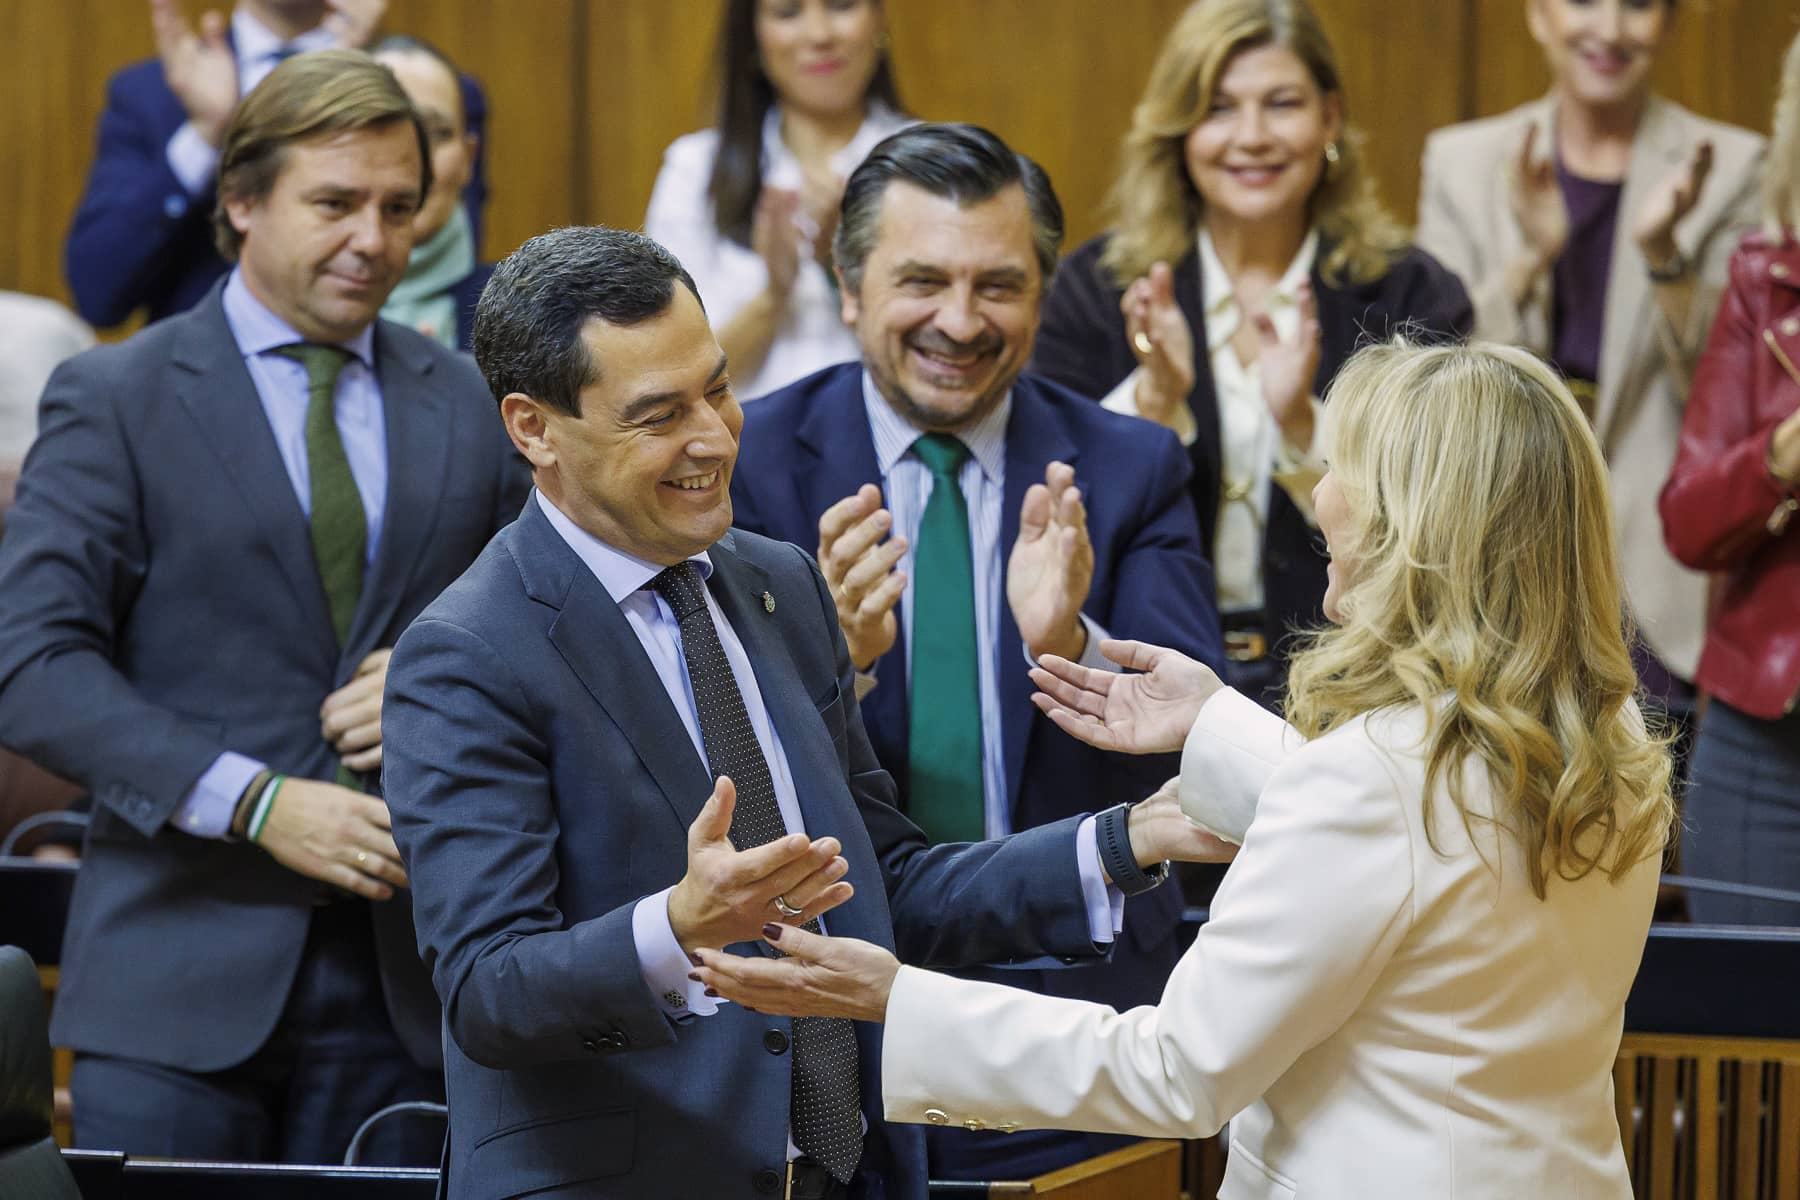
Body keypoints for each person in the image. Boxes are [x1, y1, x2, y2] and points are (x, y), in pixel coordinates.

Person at [694, 340, 1676, 1200]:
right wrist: (1213, 725)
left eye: (1340, 464)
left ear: (1410, 525)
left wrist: (898, 998)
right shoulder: (1604, 734)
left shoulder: (1373, 780)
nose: (1317, 490)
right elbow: (1438, 859)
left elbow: (1177, 1071)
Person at [379, 223, 1226, 1200]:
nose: (712, 437)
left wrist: (1128, 838)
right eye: (658, 415)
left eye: (719, 388)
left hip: (852, 1167)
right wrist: (675, 929)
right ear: (534, 428)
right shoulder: (469, 652)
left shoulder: (776, 585)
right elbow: (488, 992)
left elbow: (879, 881)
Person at [0, 50, 528, 1163]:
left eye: (400, 207)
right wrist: (251, 801)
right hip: (177, 985)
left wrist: (455, 676)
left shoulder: (471, 403)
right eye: (335, 204)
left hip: (416, 987)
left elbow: (551, 619)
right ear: (240, 203)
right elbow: (30, 664)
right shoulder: (120, 395)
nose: (375, 241)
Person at [730, 121, 1222, 1180]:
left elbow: (1201, 755)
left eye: (998, 284)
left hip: (1080, 1014)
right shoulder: (753, 463)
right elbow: (699, 766)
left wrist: (1073, 641)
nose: (959, 321)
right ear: (850, 286)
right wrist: (842, 664)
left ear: (1044, 294)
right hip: (834, 1009)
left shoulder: (1128, 467)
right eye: (922, 281)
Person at [1028, 0, 1470, 707]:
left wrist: (1303, 424)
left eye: (1282, 104)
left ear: (1329, 118)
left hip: (1359, 686)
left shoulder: (1410, 292)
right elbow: (1052, 512)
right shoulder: (1096, 290)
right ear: (1179, 131)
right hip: (1136, 677)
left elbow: (1448, 522)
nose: (1252, 137)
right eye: (1219, 108)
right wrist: (1154, 402)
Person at [1417, 0, 1765, 744]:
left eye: (1638, 5)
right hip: (1499, 566)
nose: (1607, 30)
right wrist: (1530, 260)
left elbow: (1734, 399)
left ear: (1670, 22)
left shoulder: (1733, 164)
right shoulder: (1461, 160)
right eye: (1581, 1)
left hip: (1663, 589)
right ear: (1538, 14)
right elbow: (1436, 379)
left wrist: (1666, 256)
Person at [64, 0, 490, 328]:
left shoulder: (427, 85)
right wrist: (208, 137)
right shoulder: (152, 93)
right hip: (201, 393)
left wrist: (358, 86)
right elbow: (99, 294)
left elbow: (439, 249)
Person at [1657, 28, 1800, 926]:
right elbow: (1691, 522)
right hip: (1764, 735)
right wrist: (1782, 459)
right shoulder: (1766, 278)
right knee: (1744, 1035)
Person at [644, 0, 911, 399]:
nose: (820, 35)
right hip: (737, 445)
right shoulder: (696, 170)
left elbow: (943, 349)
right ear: (752, 35)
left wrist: (837, 264)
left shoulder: (927, 164)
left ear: (878, 18)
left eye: (841, 6)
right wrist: (773, 297)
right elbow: (666, 378)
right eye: (788, 13)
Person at [372, 35, 487, 350]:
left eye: (436, 133)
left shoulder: (529, 315)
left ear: (467, 159)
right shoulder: (284, 306)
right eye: (386, 129)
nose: (416, 158)